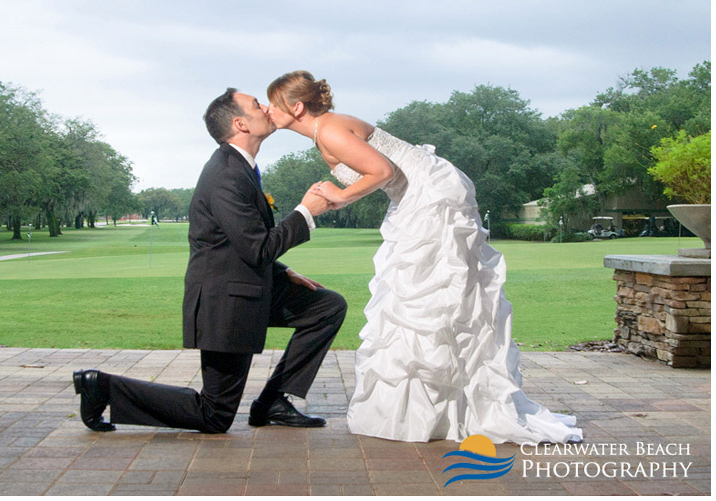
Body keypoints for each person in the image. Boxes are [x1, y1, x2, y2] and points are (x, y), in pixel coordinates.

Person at [266, 71, 583, 444]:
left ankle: (454, 404)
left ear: (296, 107)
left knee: (430, 292)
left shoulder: (331, 129)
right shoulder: (325, 132)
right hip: (417, 197)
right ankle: (436, 405)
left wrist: (341, 197)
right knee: (421, 296)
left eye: (273, 103)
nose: (268, 111)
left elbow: (383, 171)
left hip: (432, 198)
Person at [73, 88, 347, 434]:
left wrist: (284, 271)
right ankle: (102, 387)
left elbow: (231, 244)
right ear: (240, 123)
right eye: (255, 105)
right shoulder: (226, 175)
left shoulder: (242, 168)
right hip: (226, 302)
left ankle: (274, 400)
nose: (265, 107)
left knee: (326, 307)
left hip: (248, 286)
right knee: (214, 415)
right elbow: (257, 248)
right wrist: (307, 211)